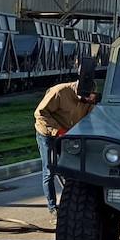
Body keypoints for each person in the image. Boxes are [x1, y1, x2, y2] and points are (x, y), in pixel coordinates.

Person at [33, 76, 98, 214]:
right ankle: (52, 207)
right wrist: (58, 131)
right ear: (78, 92)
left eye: (91, 99)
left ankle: (69, 202)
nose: (88, 102)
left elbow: (89, 121)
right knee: (49, 169)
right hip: (47, 134)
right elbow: (40, 113)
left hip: (68, 135)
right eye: (86, 99)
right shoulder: (59, 92)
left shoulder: (89, 100)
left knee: (69, 169)